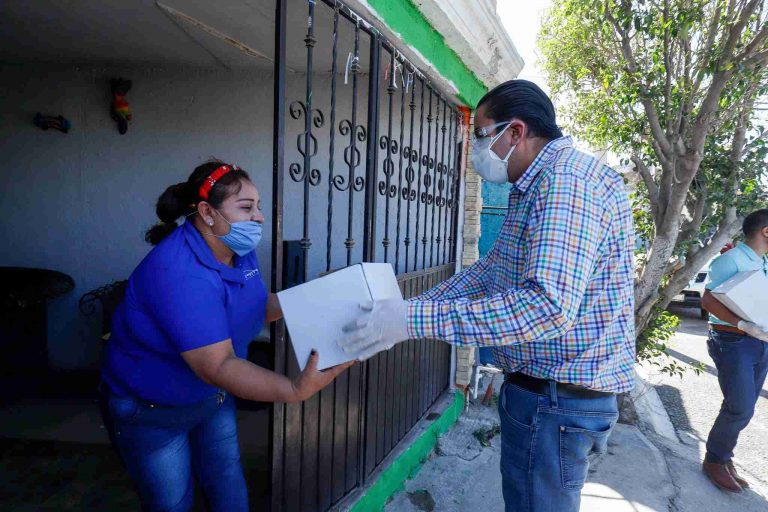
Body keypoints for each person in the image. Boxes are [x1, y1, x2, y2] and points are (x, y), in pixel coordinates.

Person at [339, 80, 636, 512]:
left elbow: (546, 308)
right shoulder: (540, 184)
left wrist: (410, 321)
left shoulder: (566, 184)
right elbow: (491, 271)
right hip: (549, 397)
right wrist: (407, 310)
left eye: (480, 135)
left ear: (514, 132)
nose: (474, 150)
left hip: (556, 401)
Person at [100, 161, 352, 512]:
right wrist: (294, 390)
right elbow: (216, 364)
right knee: (172, 503)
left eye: (258, 206)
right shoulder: (176, 270)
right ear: (207, 212)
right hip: (152, 411)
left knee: (226, 481)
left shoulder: (238, 251)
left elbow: (255, 308)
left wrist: (317, 294)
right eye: (247, 208)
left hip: (212, 397)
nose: (260, 217)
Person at [700, 209, 768, 492]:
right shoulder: (731, 260)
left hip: (759, 343)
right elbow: (708, 300)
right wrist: (742, 323)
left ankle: (723, 457)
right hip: (733, 341)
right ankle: (715, 461)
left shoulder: (763, 261)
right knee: (739, 406)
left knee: (743, 407)